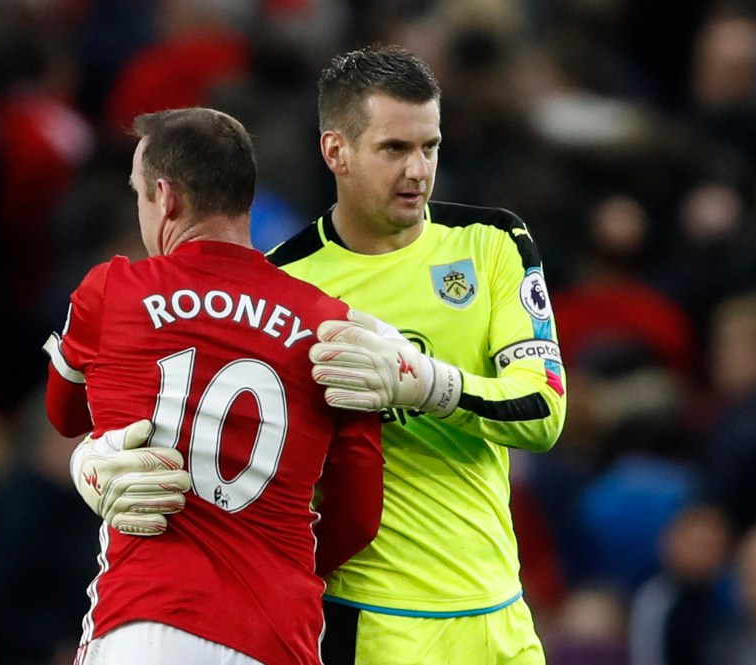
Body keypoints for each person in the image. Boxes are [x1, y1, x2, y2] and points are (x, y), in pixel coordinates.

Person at [71, 46, 567, 664]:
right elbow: (204, 438)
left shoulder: (493, 242)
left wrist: (423, 383)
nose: (418, 171)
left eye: (430, 147)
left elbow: (544, 412)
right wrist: (96, 460)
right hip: (372, 623)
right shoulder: (289, 289)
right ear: (335, 151)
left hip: (502, 616)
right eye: (394, 149)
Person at [42, 108, 384, 665]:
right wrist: (270, 557)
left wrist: (90, 460)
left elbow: (63, 414)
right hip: (277, 633)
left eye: (139, 194)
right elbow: (359, 518)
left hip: (145, 619)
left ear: (165, 197)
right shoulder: (332, 326)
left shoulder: (111, 291)